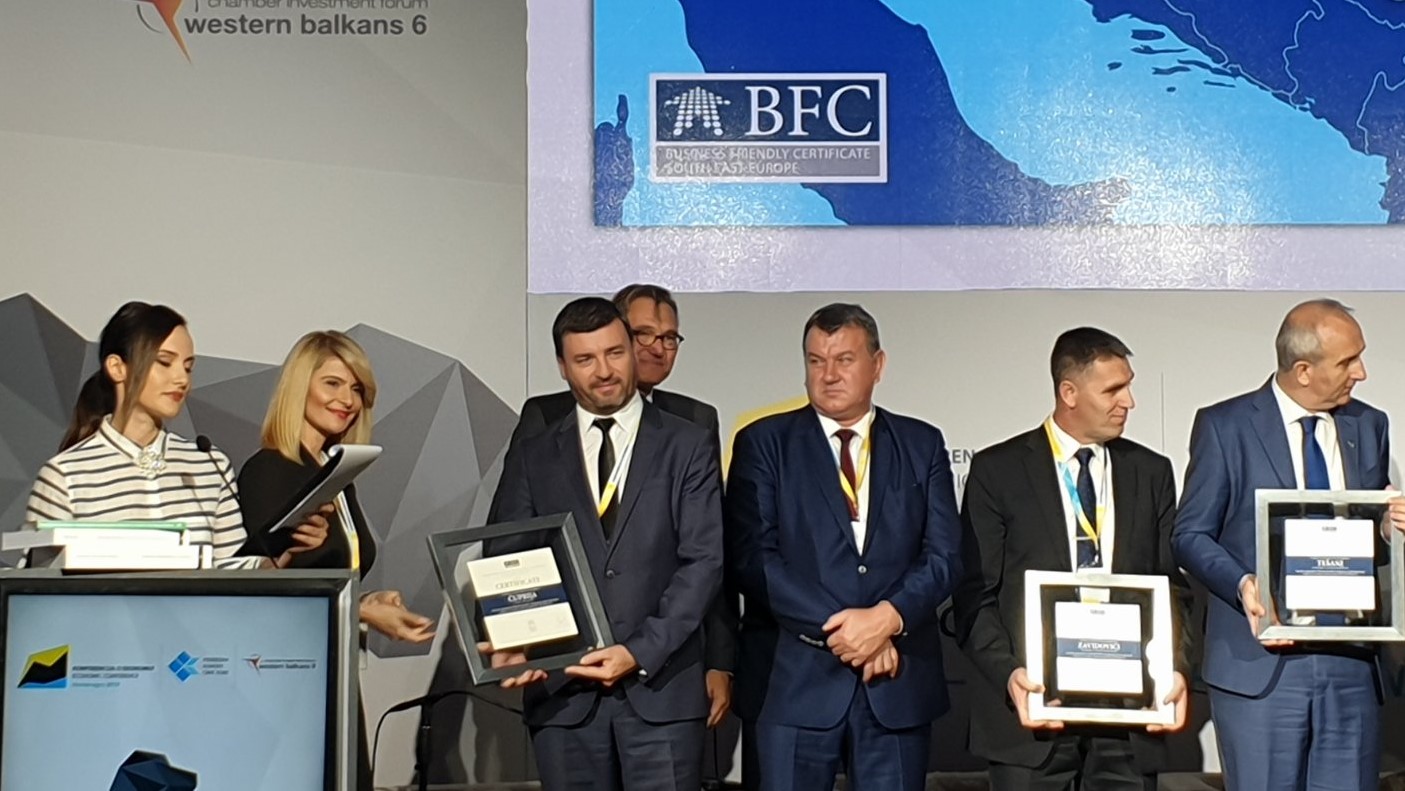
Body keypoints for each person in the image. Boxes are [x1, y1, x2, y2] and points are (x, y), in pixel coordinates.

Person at [488, 297, 723, 791]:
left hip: (660, 690)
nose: (604, 371)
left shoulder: (688, 443)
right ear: (562, 366)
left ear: (632, 351)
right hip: (563, 694)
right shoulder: (535, 454)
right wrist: (515, 637)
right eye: (585, 359)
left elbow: (703, 563)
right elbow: (508, 553)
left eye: (615, 353)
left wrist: (637, 651)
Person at [725, 303, 961, 791]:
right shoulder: (764, 443)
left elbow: (944, 556)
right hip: (792, 685)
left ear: (878, 365)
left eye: (844, 360)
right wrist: (852, 633)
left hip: (895, 683)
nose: (828, 375)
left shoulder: (920, 443)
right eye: (816, 361)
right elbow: (753, 558)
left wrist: (887, 620)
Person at [1173, 299, 1405, 791]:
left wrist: (1388, 529)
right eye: (1348, 361)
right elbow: (1190, 534)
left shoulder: (1369, 425)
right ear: (1303, 370)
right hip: (1261, 666)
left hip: (1350, 664)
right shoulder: (1226, 426)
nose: (1361, 373)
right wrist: (1242, 584)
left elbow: (1366, 536)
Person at [953, 327, 1191, 791]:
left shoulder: (1151, 472)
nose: (1129, 402)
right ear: (1069, 393)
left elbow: (1172, 591)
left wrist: (1176, 668)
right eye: (1113, 390)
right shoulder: (998, 471)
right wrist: (1010, 674)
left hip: (1129, 721)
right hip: (1031, 720)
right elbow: (973, 595)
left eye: (1128, 386)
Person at [235, 330, 434, 791]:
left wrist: (367, 600)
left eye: (357, 389)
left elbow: (324, 576)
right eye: (333, 384)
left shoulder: (336, 474)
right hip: (286, 679)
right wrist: (362, 611)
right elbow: (266, 592)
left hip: (334, 670)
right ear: (298, 387)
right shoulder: (268, 470)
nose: (347, 400)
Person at [24, 301, 323, 569]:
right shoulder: (65, 475)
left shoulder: (209, 465)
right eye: (164, 362)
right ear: (117, 368)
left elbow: (230, 568)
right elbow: (34, 587)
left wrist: (283, 557)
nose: (181, 379)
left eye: (188, 367)